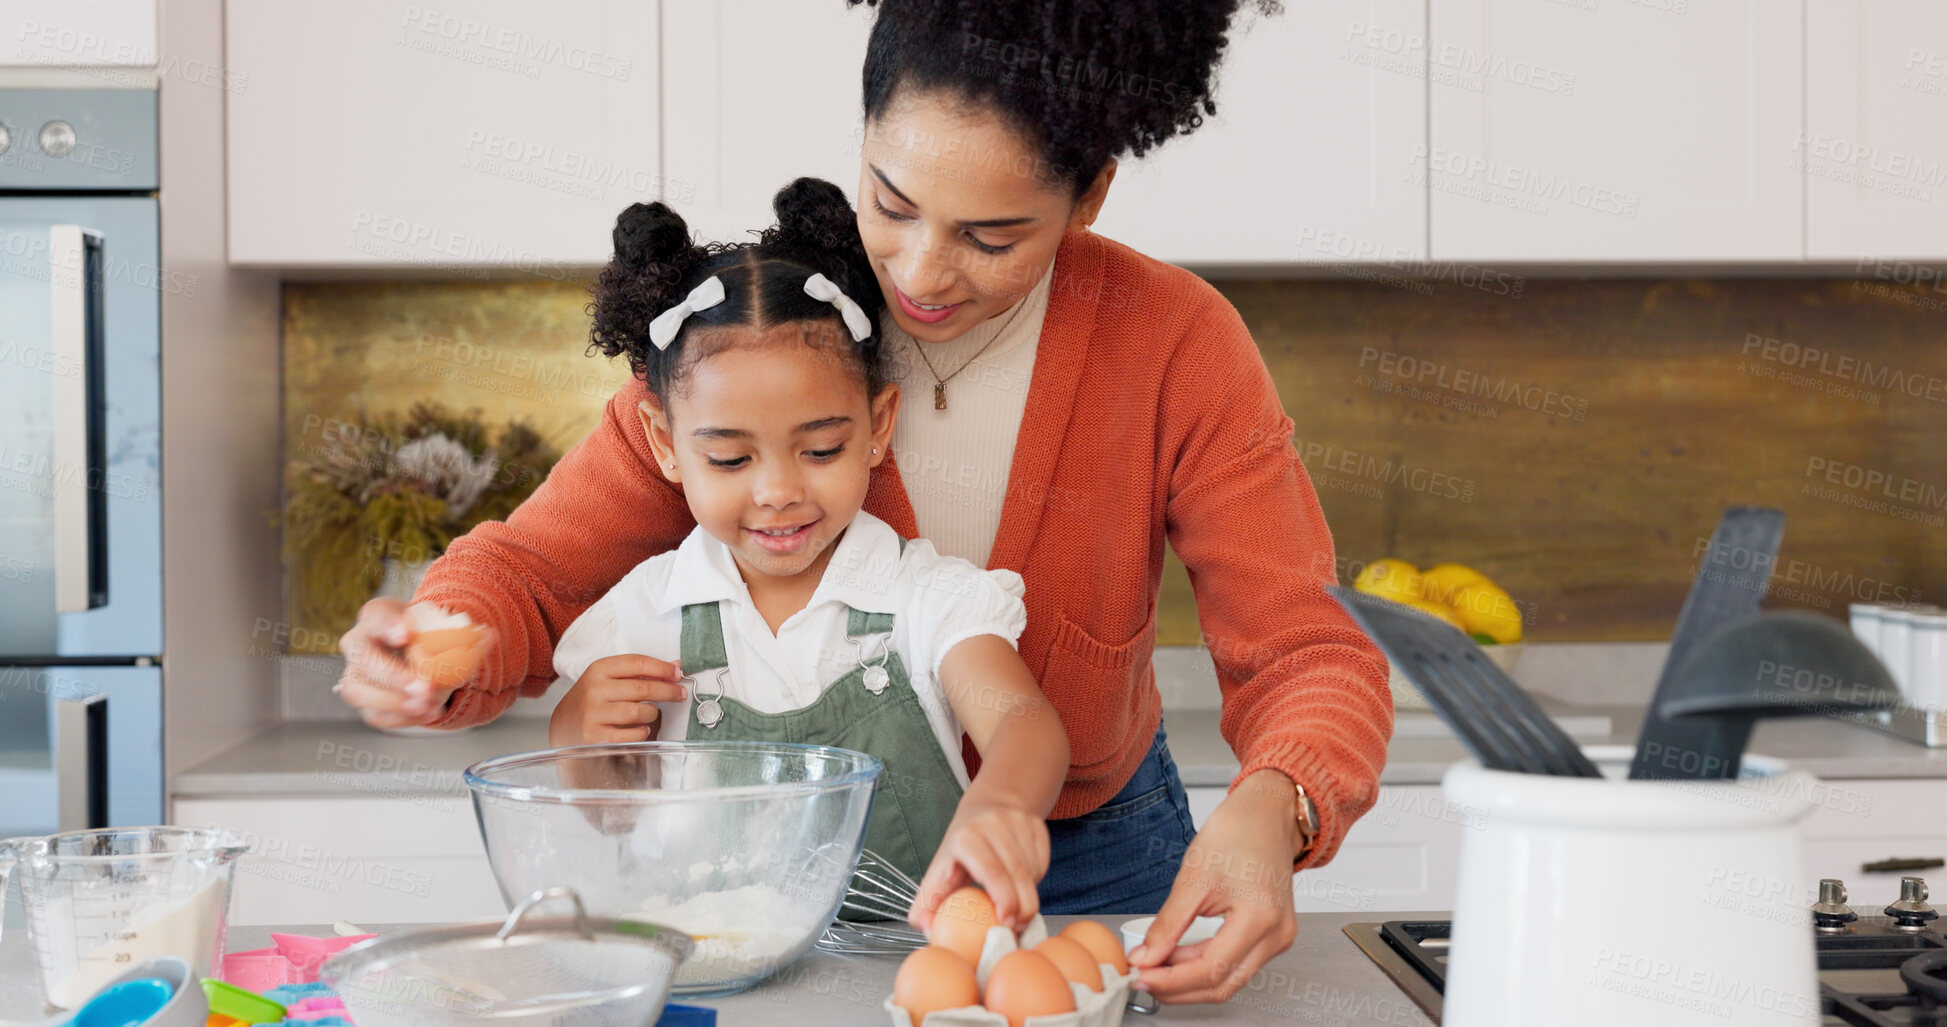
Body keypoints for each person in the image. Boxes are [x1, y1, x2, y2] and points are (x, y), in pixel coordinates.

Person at [337, 0, 1392, 1006]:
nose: (922, 272)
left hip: (1094, 859)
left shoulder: (1174, 343)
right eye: (890, 203)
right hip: (795, 877)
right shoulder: (773, 333)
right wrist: (444, 639)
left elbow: (1307, 647)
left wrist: (1276, 803)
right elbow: (531, 571)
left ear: (1092, 195)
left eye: (991, 236)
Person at [543, 178, 1068, 928]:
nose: (778, 490)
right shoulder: (644, 613)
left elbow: (1022, 720)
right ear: (664, 444)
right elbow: (610, 809)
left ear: (878, 425)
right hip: (717, 976)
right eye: (729, 459)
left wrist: (1004, 806)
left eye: (821, 449)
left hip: (899, 981)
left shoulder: (924, 598)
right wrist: (577, 733)